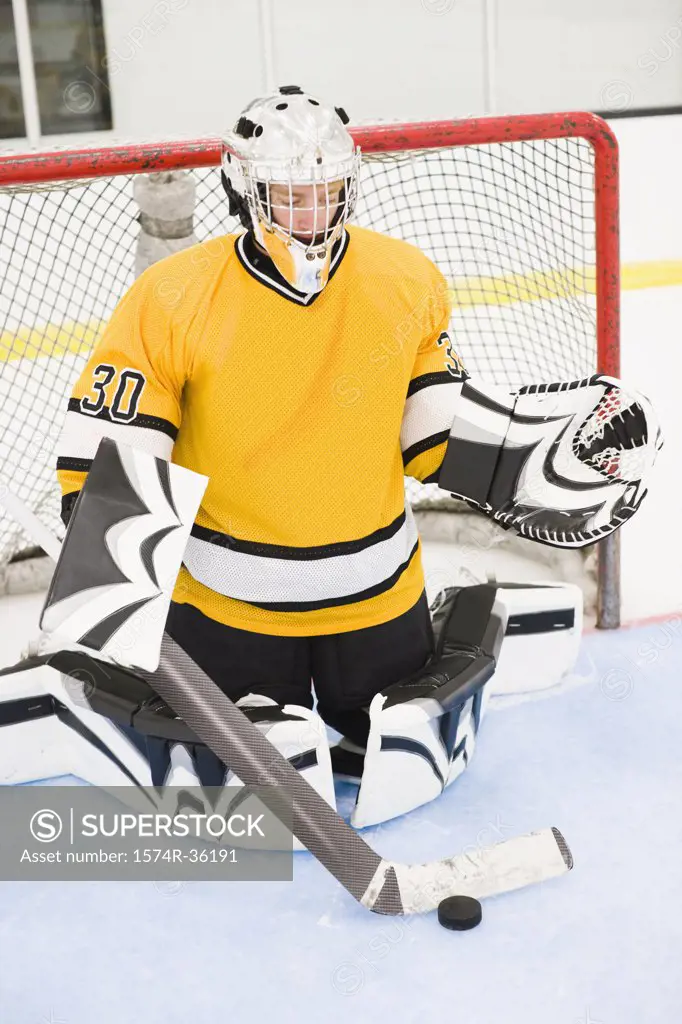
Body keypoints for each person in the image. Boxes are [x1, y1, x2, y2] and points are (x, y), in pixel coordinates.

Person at [55, 85, 461, 780]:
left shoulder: (408, 278)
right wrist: (107, 548)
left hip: (379, 598)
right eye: (288, 195)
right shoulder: (170, 295)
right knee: (235, 794)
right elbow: (119, 440)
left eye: (328, 191)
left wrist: (537, 467)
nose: (312, 215)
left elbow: (436, 439)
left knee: (378, 770)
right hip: (226, 609)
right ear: (242, 190)